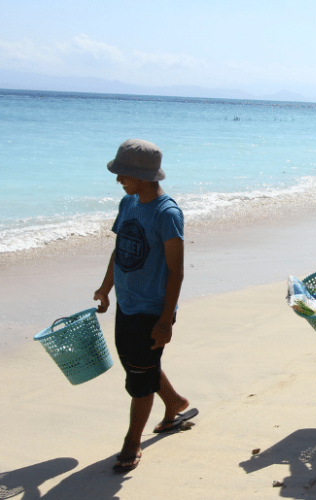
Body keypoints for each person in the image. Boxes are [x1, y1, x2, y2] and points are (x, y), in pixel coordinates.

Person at [93, 139, 195, 473]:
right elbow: (119, 249)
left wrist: (166, 320)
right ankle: (175, 402)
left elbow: (177, 271)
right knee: (137, 364)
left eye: (123, 173)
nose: (119, 179)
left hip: (152, 308)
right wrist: (106, 288)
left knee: (139, 376)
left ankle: (132, 442)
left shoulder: (167, 214)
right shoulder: (128, 204)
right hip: (127, 303)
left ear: (145, 176)